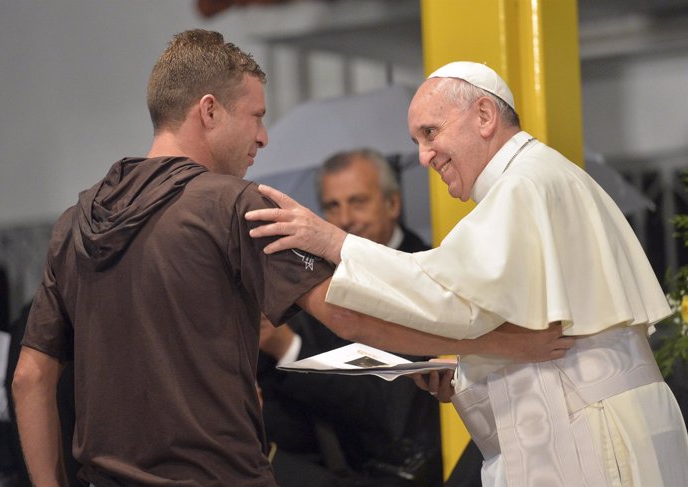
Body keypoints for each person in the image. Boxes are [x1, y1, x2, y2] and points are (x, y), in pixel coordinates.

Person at [10, 33, 574, 487]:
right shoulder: (234, 206)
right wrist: (500, 343)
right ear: (209, 111)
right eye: (254, 116)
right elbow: (347, 315)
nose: (263, 137)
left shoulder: (75, 222)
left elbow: (31, 378)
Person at [245, 61, 688, 486]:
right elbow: (511, 320)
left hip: (592, 434)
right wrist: (466, 370)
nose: (423, 156)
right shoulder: (529, 182)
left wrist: (332, 242)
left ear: (483, 115)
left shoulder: (525, 184)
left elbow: (445, 295)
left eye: (430, 132)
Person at [258, 149, 446, 486]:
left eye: (358, 202)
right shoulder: (312, 280)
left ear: (393, 204)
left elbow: (390, 401)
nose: (345, 218)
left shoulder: (431, 278)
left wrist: (290, 348)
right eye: (333, 206)